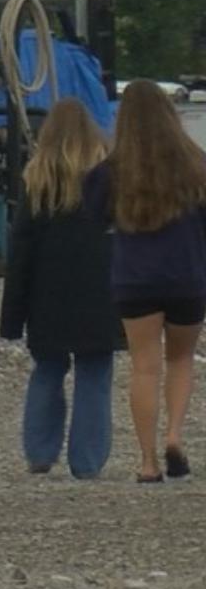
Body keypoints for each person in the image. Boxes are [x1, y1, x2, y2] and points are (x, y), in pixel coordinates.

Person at [83, 79, 206, 483]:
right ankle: (174, 435)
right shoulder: (197, 164)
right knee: (181, 359)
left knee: (144, 367)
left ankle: (148, 461)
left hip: (134, 278)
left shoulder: (110, 171)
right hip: (187, 275)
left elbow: (94, 218)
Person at [0, 99, 115, 479]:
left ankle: (40, 452)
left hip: (46, 295)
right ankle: (87, 460)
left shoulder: (37, 180)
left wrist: (11, 320)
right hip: (101, 293)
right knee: (95, 373)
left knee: (47, 369)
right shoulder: (109, 176)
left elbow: (20, 255)